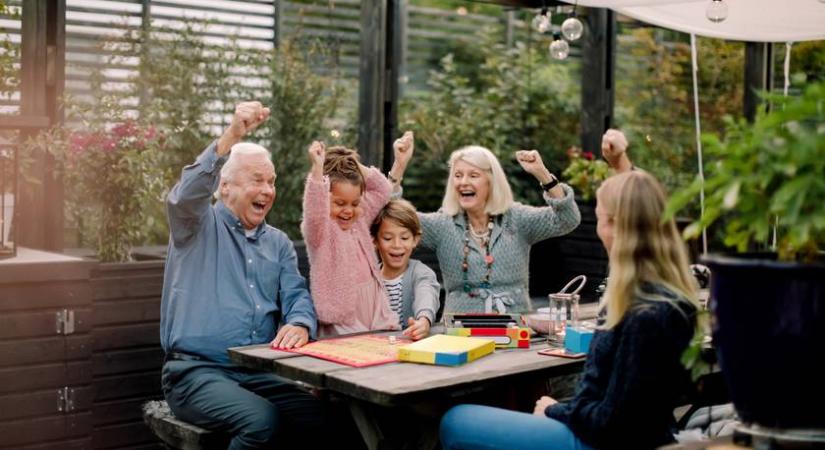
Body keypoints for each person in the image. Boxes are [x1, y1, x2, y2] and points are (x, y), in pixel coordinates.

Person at [439, 170, 700, 450]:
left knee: (455, 420)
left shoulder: (642, 314)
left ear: (615, 226)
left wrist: (555, 410)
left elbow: (613, 421)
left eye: (599, 218)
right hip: (642, 432)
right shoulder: (673, 299)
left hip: (597, 441)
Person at [160, 101, 324, 450]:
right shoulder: (196, 225)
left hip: (258, 372)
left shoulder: (278, 243)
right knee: (261, 422)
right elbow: (184, 197)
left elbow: (297, 296)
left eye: (272, 181)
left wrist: (299, 322)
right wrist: (233, 134)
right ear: (225, 187)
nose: (267, 190)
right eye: (257, 180)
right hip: (196, 374)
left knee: (323, 418)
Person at [391, 133, 581, 315]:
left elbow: (568, 220)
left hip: (513, 330)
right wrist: (399, 165)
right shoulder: (442, 225)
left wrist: (543, 175)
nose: (463, 182)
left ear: (491, 182)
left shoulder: (517, 218)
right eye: (458, 175)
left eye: (473, 175)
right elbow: (392, 217)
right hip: (461, 333)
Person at [301, 139, 408, 336]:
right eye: (340, 203)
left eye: (354, 203)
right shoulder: (320, 230)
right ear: (326, 199)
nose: (348, 210)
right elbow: (314, 209)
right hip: (343, 317)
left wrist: (353, 163)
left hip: (375, 307)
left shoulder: (359, 218)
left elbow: (383, 189)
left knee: (385, 356)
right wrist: (317, 169)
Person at [371, 198, 441, 340]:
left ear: (415, 240)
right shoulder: (369, 278)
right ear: (375, 241)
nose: (397, 245)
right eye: (388, 238)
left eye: (404, 238)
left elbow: (426, 294)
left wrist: (424, 320)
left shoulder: (421, 273)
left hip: (409, 349)